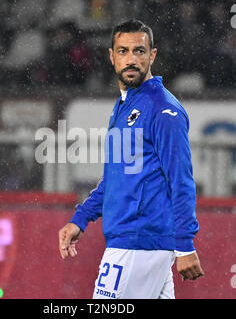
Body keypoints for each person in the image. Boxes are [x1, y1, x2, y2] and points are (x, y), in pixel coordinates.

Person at [58, 19, 203, 299]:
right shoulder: (126, 105)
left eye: (139, 51)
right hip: (139, 243)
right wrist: (82, 218)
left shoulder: (164, 110)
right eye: (123, 51)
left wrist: (185, 245)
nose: (131, 59)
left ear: (152, 55)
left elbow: (181, 181)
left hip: (137, 244)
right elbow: (118, 177)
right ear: (111, 56)